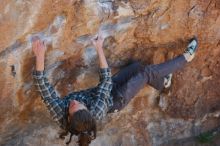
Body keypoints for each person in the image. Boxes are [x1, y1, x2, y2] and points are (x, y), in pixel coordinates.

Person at [32, 35, 198, 146]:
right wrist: (99, 47)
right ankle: (185, 58)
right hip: (117, 99)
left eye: (74, 104)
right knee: (145, 73)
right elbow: (105, 80)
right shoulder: (96, 111)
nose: (74, 102)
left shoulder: (58, 111)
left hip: (104, 91)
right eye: (77, 105)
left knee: (137, 67)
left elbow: (42, 85)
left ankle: (163, 84)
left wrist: (39, 55)